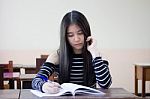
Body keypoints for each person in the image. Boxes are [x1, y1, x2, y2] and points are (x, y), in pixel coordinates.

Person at [32, 10, 112, 94]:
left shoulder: (97, 56)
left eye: (80, 33)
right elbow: (36, 80)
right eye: (70, 35)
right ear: (65, 37)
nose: (76, 39)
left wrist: (95, 54)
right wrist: (43, 86)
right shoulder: (57, 56)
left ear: (86, 33)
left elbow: (105, 84)